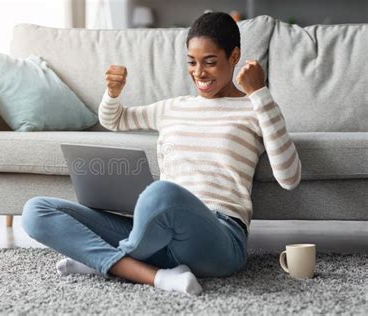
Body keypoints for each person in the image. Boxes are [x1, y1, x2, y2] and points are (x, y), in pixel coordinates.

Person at [22, 11, 302, 296]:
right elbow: (115, 120)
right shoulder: (174, 107)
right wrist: (113, 93)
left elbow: (289, 177)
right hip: (154, 233)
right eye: (192, 63)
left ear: (234, 56)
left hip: (219, 238)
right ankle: (158, 276)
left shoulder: (256, 107)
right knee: (36, 210)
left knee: (161, 193)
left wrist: (260, 93)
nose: (199, 73)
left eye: (210, 62)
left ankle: (101, 260)